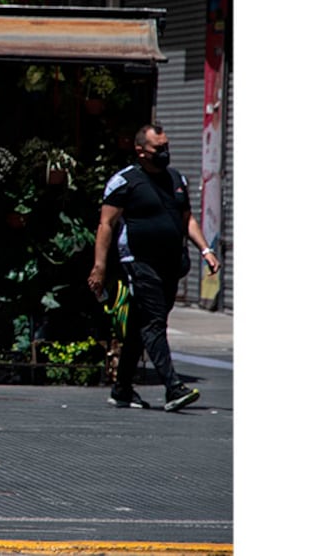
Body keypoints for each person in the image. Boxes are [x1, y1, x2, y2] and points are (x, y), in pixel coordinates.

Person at [87, 124, 220, 412]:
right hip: (139, 262)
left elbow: (188, 220)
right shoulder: (125, 182)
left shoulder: (177, 179)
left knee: (139, 325)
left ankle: (122, 389)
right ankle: (173, 388)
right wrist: (99, 266)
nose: (165, 152)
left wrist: (206, 250)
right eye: (159, 148)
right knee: (154, 322)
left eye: (166, 146)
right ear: (141, 151)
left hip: (171, 264)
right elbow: (106, 225)